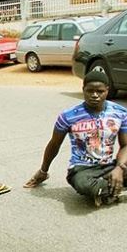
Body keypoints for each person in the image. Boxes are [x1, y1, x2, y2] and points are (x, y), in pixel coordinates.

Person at [24, 71, 127, 207]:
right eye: (90, 91)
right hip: (82, 169)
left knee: (118, 171)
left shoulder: (120, 113)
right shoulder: (68, 116)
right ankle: (106, 189)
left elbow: (125, 145)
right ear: (83, 89)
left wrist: (119, 168)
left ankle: (105, 189)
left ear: (107, 90)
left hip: (110, 166)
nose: (95, 95)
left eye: (100, 91)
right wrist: (43, 171)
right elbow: (54, 144)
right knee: (84, 184)